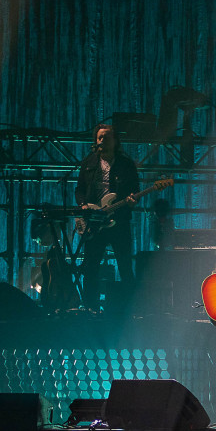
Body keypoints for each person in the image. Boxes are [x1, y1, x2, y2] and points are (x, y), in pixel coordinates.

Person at [75, 123, 141, 310]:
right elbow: (79, 189)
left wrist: (132, 200)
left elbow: (135, 190)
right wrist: (83, 205)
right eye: (99, 137)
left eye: (106, 137)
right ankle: (90, 306)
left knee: (125, 265)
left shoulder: (126, 164)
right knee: (91, 266)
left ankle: (129, 309)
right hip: (95, 221)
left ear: (115, 140)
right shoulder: (89, 163)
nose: (102, 140)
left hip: (119, 220)